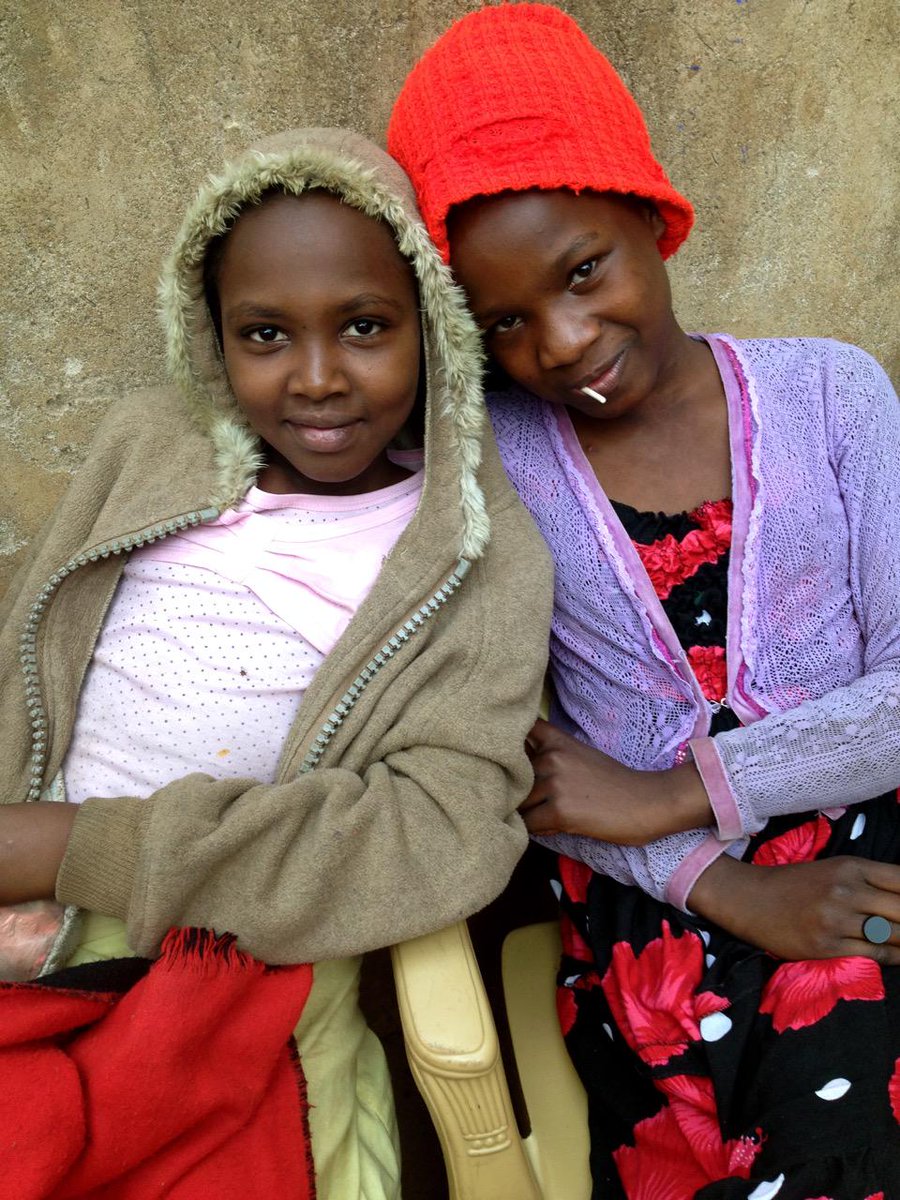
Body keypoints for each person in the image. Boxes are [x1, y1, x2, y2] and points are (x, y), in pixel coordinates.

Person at [388, 6, 900, 1197]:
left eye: (585, 271)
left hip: (865, 822)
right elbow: (503, 763)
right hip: (666, 894)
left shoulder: (834, 393)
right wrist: (724, 881)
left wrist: (673, 786)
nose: (565, 342)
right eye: (505, 322)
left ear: (650, 215)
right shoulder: (488, 464)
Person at [0, 127, 553, 1197]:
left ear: (434, 329)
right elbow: (29, 651)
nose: (318, 379)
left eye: (365, 327)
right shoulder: (145, 449)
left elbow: (441, 830)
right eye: (264, 334)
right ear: (210, 338)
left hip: (235, 957)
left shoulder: (471, 555)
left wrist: (67, 847)